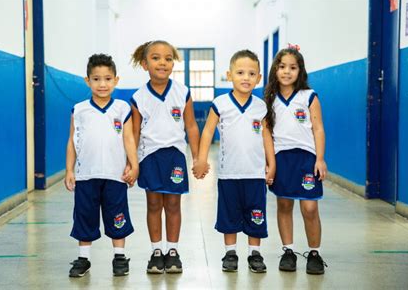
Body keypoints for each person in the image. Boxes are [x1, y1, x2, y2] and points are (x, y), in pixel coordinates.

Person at [193, 50, 276, 273]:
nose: (245, 77)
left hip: (255, 174)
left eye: (251, 73)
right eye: (240, 72)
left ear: (259, 78)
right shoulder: (220, 103)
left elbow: (266, 136)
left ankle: (254, 253)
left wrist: (272, 163)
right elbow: (208, 131)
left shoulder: (260, 107)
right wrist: (201, 159)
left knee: (256, 215)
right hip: (229, 174)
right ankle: (230, 253)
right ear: (230, 75)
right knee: (229, 215)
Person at [130, 40, 203, 274]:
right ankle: (156, 251)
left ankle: (172, 251)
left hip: (174, 156)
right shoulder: (139, 97)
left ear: (173, 64)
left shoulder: (182, 92)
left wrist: (198, 157)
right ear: (144, 64)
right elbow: (133, 133)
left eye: (168, 58)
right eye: (156, 57)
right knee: (153, 204)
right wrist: (131, 163)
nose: (163, 62)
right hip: (149, 156)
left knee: (173, 203)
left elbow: (191, 127)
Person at [64, 54, 139, 277]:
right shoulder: (79, 109)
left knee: (117, 216)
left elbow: (129, 139)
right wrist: (69, 170)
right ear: (87, 81)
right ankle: (83, 259)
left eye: (107, 79)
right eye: (96, 79)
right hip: (86, 175)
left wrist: (134, 165)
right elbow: (72, 141)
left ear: (116, 80)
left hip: (115, 175)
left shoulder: (122, 108)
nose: (102, 84)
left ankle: (119, 257)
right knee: (85, 217)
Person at [264, 45, 328, 274]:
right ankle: (288, 251)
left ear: (300, 71)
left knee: (310, 207)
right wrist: (270, 163)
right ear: (275, 70)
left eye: (293, 67)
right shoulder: (269, 98)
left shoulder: (309, 96)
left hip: (306, 157)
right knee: (284, 204)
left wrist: (320, 159)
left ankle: (314, 253)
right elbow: (267, 134)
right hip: (282, 157)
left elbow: (318, 129)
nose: (287, 72)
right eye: (282, 67)